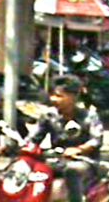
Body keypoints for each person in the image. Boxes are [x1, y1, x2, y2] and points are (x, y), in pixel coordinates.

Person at [18, 74, 103, 202]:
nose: (53, 99)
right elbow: (34, 138)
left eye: (59, 96)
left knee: (72, 170)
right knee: (26, 168)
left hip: (83, 160)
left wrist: (79, 149)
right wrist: (16, 146)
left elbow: (96, 140)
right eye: (52, 95)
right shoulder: (49, 115)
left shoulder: (89, 115)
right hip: (56, 159)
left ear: (73, 96)